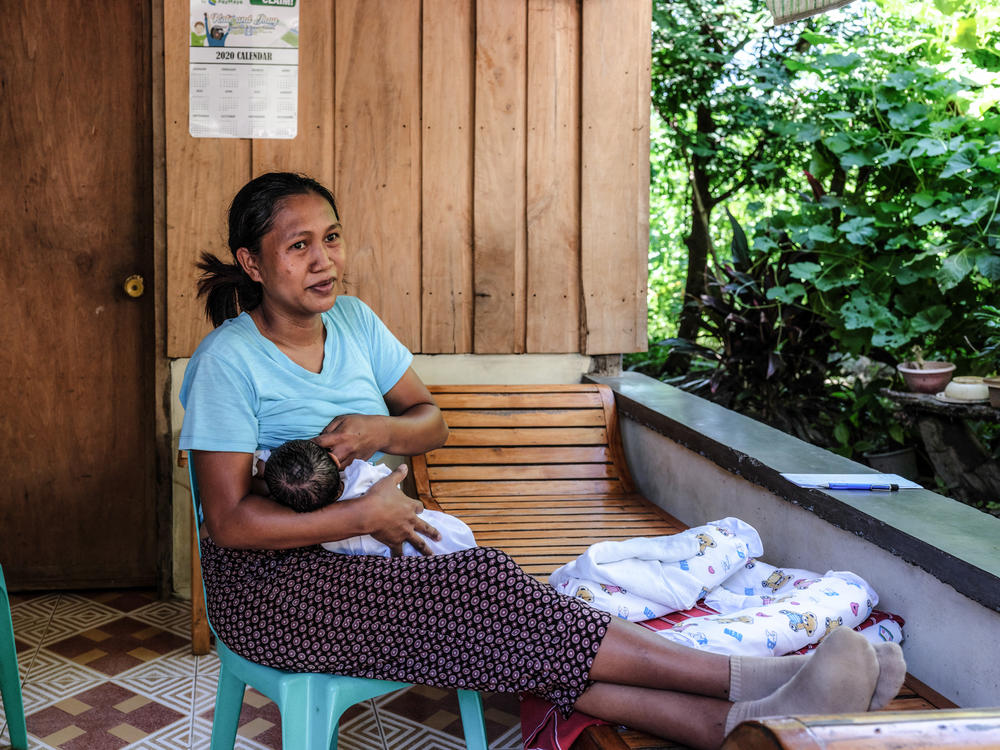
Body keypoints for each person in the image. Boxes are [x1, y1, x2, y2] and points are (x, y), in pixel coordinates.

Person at [178, 172, 906, 750]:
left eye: (331, 237)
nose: (324, 259)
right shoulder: (228, 362)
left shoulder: (356, 321)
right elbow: (230, 526)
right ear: (253, 261)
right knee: (488, 594)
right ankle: (763, 683)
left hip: (374, 556)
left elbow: (430, 424)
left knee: (508, 627)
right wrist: (365, 510)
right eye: (299, 245)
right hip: (274, 591)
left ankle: (741, 724)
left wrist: (376, 432)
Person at [257, 438, 477, 556]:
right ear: (334, 461)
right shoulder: (363, 475)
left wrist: (265, 468)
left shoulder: (328, 538)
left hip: (404, 559)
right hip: (444, 535)